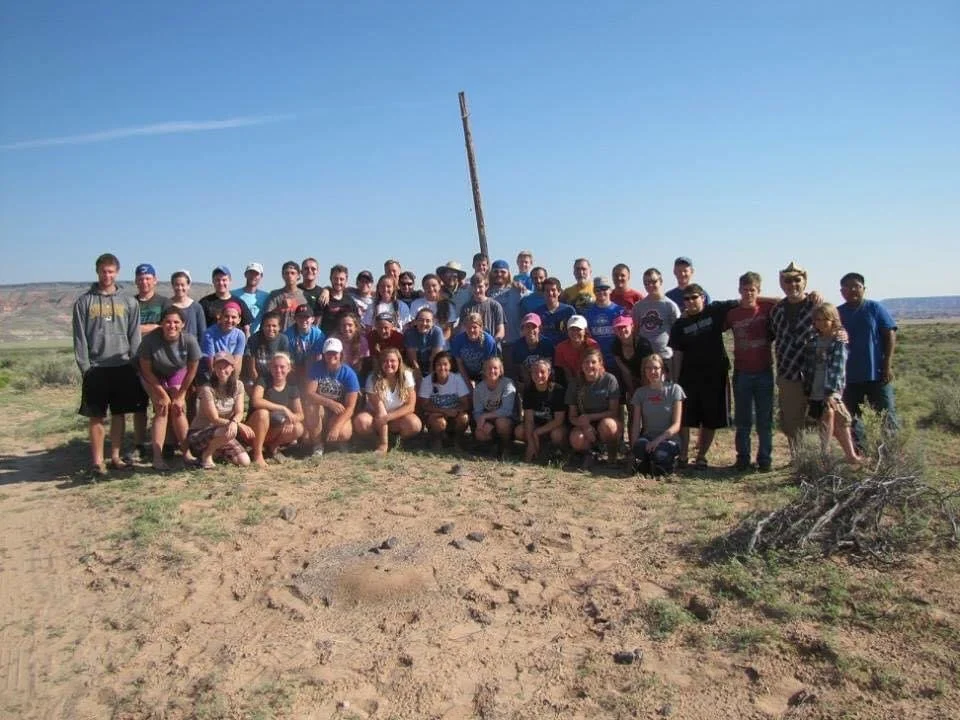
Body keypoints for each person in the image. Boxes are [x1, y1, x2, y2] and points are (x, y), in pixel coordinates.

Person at [72, 253, 144, 476]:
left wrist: (134, 363)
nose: (107, 275)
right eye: (104, 271)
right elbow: (79, 337)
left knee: (120, 414)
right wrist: (85, 367)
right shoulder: (84, 302)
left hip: (122, 364)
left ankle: (115, 456)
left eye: (111, 271)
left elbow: (135, 335)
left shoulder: (129, 302)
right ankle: (96, 461)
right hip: (96, 367)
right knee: (96, 416)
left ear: (117, 272)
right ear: (97, 272)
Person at [668, 284, 738, 468]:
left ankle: (701, 456)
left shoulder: (714, 310)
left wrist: (776, 300)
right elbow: (677, 353)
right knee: (685, 418)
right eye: (687, 299)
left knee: (710, 418)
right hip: (688, 377)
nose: (691, 302)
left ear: (703, 297)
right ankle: (683, 455)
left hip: (715, 375)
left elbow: (745, 301)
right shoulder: (680, 324)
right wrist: (675, 381)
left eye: (694, 297)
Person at [838, 272, 899, 452]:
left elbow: (889, 334)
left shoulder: (875, 308)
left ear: (864, 288)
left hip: (877, 373)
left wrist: (887, 364)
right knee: (852, 418)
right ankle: (860, 454)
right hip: (849, 376)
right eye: (847, 287)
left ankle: (891, 455)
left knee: (887, 415)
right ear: (841, 291)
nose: (852, 290)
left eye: (856, 286)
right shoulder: (838, 313)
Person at [137, 306, 201, 470]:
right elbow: (146, 370)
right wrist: (160, 392)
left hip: (177, 371)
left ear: (183, 324)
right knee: (162, 406)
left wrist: (181, 395)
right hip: (153, 374)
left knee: (178, 407)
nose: (172, 326)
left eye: (176, 322)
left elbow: (192, 370)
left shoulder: (189, 341)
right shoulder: (150, 341)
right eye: (168, 322)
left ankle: (186, 453)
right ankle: (157, 458)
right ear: (162, 323)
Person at [726, 272, 777, 471]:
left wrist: (761, 299)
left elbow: (782, 301)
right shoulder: (732, 314)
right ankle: (743, 458)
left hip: (764, 371)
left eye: (753, 290)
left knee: (765, 420)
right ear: (739, 290)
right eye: (745, 290)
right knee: (743, 419)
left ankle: (765, 459)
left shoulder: (767, 309)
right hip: (742, 372)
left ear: (759, 290)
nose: (748, 294)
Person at [769, 262, 820, 449]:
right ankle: (798, 458)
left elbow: (836, 331)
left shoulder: (817, 306)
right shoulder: (777, 310)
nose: (792, 285)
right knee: (791, 419)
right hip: (788, 372)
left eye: (797, 279)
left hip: (816, 371)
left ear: (805, 281)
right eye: (788, 280)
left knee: (819, 417)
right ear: (782, 283)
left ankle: (819, 458)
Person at [804, 304, 862, 464]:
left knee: (831, 414)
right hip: (815, 387)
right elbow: (808, 367)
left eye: (825, 319)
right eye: (817, 320)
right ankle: (849, 456)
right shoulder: (813, 342)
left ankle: (826, 453)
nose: (821, 323)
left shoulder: (838, 342)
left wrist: (832, 391)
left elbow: (838, 368)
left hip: (831, 388)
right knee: (838, 421)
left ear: (833, 320)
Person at [186, 352, 254, 469]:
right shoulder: (207, 389)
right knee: (227, 431)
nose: (222, 370)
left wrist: (235, 423)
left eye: (226, 366)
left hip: (225, 432)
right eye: (219, 367)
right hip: (201, 433)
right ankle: (206, 455)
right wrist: (237, 425)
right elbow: (214, 418)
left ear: (232, 368)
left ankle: (216, 452)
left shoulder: (239, 385)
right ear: (214, 368)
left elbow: (239, 412)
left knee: (244, 461)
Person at [132, 263, 170, 461]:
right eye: (140, 279)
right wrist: (151, 327)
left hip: (158, 360)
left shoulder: (164, 302)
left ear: (155, 280)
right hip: (134, 359)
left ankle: (161, 445)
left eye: (148, 278)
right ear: (136, 281)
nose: (144, 282)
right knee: (138, 406)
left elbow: (167, 326)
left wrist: (138, 329)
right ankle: (139, 445)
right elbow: (123, 329)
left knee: (160, 404)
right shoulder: (129, 303)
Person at [354, 347, 422, 453]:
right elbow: (381, 413)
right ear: (380, 363)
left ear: (399, 362)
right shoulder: (372, 378)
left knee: (415, 424)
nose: (389, 364)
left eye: (392, 361)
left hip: (397, 416)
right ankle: (377, 442)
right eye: (385, 361)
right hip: (375, 415)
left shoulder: (407, 375)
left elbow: (410, 406)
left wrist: (389, 417)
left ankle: (396, 441)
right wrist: (383, 445)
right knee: (361, 422)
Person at [630, 354, 685, 476]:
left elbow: (677, 425)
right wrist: (633, 450)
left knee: (660, 453)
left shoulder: (674, 390)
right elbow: (636, 425)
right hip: (648, 438)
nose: (652, 371)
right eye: (648, 368)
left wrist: (658, 440)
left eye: (656, 368)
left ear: (662, 370)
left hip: (668, 439)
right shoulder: (640, 393)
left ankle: (664, 463)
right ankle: (647, 463)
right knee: (640, 447)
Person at [565, 347, 621, 468]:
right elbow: (572, 416)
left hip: (605, 420)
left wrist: (590, 417)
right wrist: (585, 425)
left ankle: (612, 456)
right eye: (586, 362)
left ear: (601, 363)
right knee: (576, 439)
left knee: (609, 426)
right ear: (581, 365)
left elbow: (614, 411)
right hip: (583, 424)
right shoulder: (575, 383)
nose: (589, 365)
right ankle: (591, 454)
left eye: (593, 362)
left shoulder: (609, 380)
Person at [247, 352, 305, 467]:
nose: (278, 370)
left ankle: (272, 447)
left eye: (282, 367)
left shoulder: (292, 386)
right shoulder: (263, 379)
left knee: (298, 428)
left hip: (275, 428)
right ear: (270, 367)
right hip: (254, 428)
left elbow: (300, 414)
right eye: (275, 367)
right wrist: (283, 408)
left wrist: (291, 420)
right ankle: (257, 454)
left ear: (289, 368)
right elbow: (256, 401)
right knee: (263, 413)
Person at [305, 337, 359, 456]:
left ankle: (336, 441)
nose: (331, 356)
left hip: (339, 412)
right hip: (322, 409)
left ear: (341, 354)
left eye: (335, 353)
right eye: (328, 353)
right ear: (324, 354)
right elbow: (309, 393)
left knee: (343, 433)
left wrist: (336, 427)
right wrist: (330, 403)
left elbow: (350, 407)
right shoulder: (317, 367)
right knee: (311, 407)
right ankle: (318, 444)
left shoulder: (349, 374)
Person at [632, 268, 681, 378]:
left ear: (661, 281)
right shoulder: (638, 307)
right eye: (646, 283)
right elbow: (636, 331)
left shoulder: (670, 306)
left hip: (665, 357)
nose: (650, 286)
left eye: (653, 282)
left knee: (666, 391)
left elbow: (677, 333)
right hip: (645, 358)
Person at [417, 351, 471, 451]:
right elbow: (424, 405)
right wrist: (444, 411)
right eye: (438, 364)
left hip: (454, 414)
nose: (442, 368)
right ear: (434, 366)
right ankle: (436, 442)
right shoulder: (427, 381)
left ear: (450, 366)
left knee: (464, 418)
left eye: (445, 364)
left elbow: (466, 404)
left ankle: (457, 442)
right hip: (436, 416)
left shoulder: (457, 379)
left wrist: (454, 411)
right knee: (439, 422)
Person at [516, 358, 567, 463]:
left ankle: (558, 453)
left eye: (542, 372)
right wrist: (530, 442)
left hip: (554, 426)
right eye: (535, 372)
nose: (538, 375)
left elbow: (559, 420)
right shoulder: (529, 390)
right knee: (519, 431)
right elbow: (529, 420)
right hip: (537, 425)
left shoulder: (558, 390)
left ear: (549, 373)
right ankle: (533, 448)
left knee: (557, 434)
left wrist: (537, 432)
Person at [472, 356, 517, 460]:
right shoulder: (479, 388)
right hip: (490, 420)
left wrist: (484, 417)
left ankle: (506, 447)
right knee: (480, 433)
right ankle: (494, 448)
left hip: (508, 419)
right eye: (489, 368)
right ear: (484, 371)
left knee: (501, 423)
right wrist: (483, 422)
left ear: (500, 370)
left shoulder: (508, 384)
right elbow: (477, 412)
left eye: (495, 368)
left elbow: (507, 410)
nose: (492, 371)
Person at [582, 276, 624, 375]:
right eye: (597, 289)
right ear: (594, 291)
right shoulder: (588, 312)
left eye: (604, 288)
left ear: (610, 290)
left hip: (617, 361)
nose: (601, 292)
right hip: (596, 363)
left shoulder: (619, 311)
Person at [242, 310, 290, 388]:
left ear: (279, 327)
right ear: (262, 326)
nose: (271, 329)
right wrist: (260, 385)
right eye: (268, 325)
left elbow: (284, 365)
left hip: (276, 375)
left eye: (274, 326)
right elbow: (252, 368)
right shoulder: (254, 338)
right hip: (256, 375)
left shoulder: (283, 339)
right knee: (255, 394)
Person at [200, 300, 246, 382]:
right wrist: (217, 383)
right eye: (226, 316)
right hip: (209, 372)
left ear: (239, 320)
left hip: (228, 371)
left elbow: (237, 362)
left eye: (233, 317)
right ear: (220, 317)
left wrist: (232, 382)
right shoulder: (209, 333)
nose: (229, 320)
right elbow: (210, 362)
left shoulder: (240, 335)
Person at [488, 259, 529, 350]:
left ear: (508, 273)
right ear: (491, 273)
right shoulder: (485, 292)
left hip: (515, 341)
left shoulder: (518, 290)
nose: (499, 274)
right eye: (496, 271)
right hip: (492, 342)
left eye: (503, 272)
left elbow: (534, 297)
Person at [611, 314, 654, 400]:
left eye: (624, 326)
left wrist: (643, 393)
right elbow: (623, 368)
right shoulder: (615, 344)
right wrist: (632, 393)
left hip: (647, 375)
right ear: (615, 331)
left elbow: (646, 370)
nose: (622, 330)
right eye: (619, 328)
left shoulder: (643, 344)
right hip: (629, 377)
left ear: (632, 327)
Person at [199, 266, 253, 333]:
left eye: (224, 280)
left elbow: (246, 328)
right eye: (217, 280)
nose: (221, 283)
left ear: (230, 281)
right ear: (213, 281)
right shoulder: (204, 303)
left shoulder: (239, 302)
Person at [410, 273, 458, 346]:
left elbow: (448, 331)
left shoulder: (448, 305)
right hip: (421, 346)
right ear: (423, 288)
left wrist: (437, 344)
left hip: (442, 346)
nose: (431, 288)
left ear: (439, 286)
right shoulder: (416, 304)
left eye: (434, 285)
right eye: (427, 286)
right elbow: (413, 325)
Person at [451, 312, 499, 385]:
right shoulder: (458, 340)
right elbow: (459, 364)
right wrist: (469, 385)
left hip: (483, 374)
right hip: (464, 374)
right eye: (468, 327)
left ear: (481, 327)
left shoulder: (488, 341)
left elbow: (488, 366)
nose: (471, 330)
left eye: (474, 327)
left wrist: (480, 386)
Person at [512, 313, 556, 389]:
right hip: (526, 380)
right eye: (527, 327)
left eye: (534, 327)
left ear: (540, 328)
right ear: (523, 329)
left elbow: (550, 368)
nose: (531, 330)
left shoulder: (547, 344)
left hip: (544, 379)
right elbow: (518, 368)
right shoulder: (517, 346)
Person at [284, 304, 325, 385]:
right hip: (295, 367)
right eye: (300, 317)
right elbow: (288, 358)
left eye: (306, 317)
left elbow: (318, 358)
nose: (303, 320)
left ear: (313, 319)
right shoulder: (288, 334)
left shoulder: (318, 334)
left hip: (312, 367)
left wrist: (310, 374)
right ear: (295, 318)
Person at [554, 315, 599, 387]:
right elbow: (565, 371)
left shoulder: (592, 345)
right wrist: (573, 386)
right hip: (571, 382)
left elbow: (596, 368)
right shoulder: (561, 347)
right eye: (572, 329)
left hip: (592, 380)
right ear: (568, 331)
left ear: (585, 330)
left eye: (578, 329)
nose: (575, 332)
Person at [458, 273, 506, 342]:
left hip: (492, 348)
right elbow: (462, 331)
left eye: (480, 287)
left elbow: (501, 331)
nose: (477, 290)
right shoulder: (466, 308)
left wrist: (491, 343)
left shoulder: (495, 305)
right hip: (472, 349)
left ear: (486, 287)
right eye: (474, 287)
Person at [265, 260, 308, 332]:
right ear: (283, 275)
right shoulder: (275, 294)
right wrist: (280, 307)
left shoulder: (304, 295)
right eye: (287, 273)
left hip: (297, 337)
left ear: (298, 276)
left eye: (293, 273)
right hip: (278, 336)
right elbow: (267, 317)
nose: (289, 276)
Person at [404, 307, 444, 381]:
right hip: (415, 365)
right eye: (421, 320)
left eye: (428, 321)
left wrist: (430, 378)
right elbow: (413, 360)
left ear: (433, 323)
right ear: (415, 321)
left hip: (432, 364)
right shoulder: (410, 333)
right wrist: (419, 377)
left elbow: (435, 357)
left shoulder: (437, 332)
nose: (424, 323)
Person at [318, 264, 358, 335]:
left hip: (345, 340)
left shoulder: (350, 301)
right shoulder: (324, 298)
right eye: (335, 278)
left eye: (341, 279)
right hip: (326, 339)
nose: (338, 282)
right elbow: (316, 323)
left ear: (346, 280)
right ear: (330, 278)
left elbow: (356, 322)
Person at [536, 277, 576, 345]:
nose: (550, 293)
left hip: (564, 350)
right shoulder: (537, 313)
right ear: (543, 293)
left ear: (559, 292)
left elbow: (575, 332)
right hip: (544, 351)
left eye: (553, 290)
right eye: (547, 290)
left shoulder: (569, 311)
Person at [231, 262, 269, 333]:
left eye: (256, 274)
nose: (253, 276)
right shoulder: (233, 294)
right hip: (238, 335)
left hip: (260, 337)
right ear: (245, 274)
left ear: (261, 276)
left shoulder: (267, 296)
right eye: (251, 273)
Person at [170, 270, 206, 341]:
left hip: (193, 348)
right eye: (177, 285)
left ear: (188, 286)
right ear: (172, 286)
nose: (180, 288)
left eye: (182, 285)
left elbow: (202, 332)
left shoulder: (196, 307)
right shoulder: (167, 305)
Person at [334, 311, 370, 379]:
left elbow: (361, 365)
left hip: (356, 374)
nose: (346, 328)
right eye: (343, 325)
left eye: (350, 325)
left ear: (356, 327)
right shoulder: (335, 340)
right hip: (338, 373)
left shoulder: (362, 341)